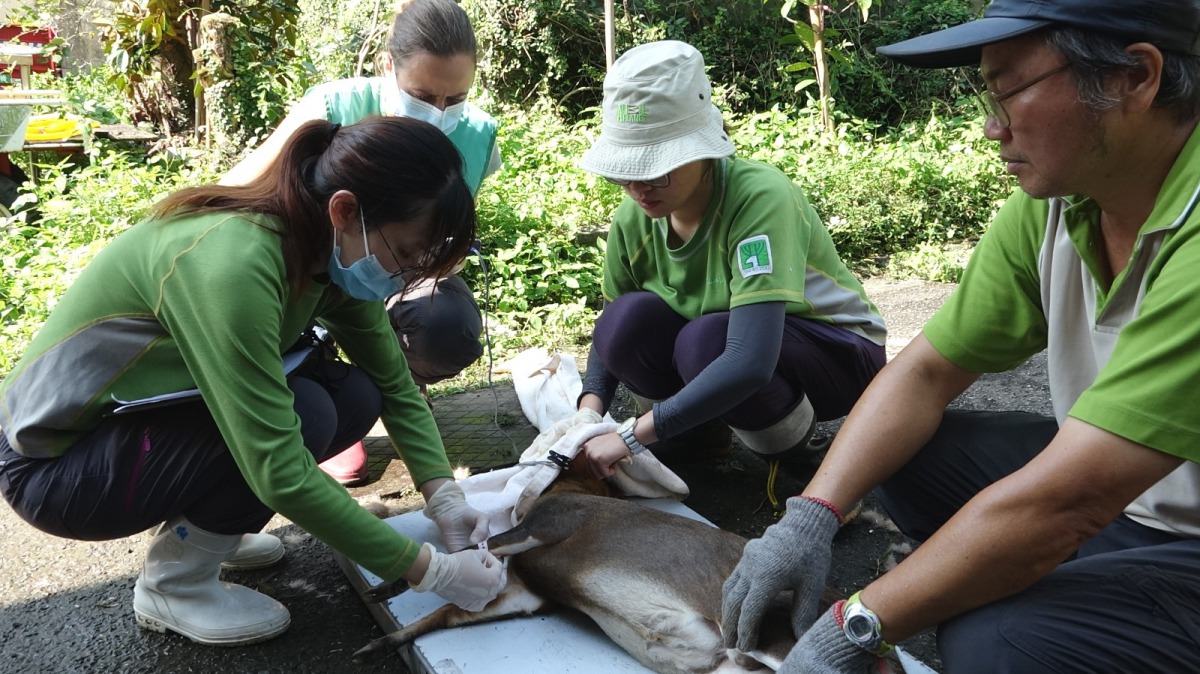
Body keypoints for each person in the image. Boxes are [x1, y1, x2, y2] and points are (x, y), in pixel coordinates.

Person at [720, 1, 1200, 672]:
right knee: (897, 455)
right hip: (1113, 485)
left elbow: (1069, 503)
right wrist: (809, 518)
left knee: (995, 645)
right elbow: (924, 375)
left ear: (1134, 78)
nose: (989, 126)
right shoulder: (1060, 205)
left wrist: (855, 627)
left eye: (1006, 90)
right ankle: (1028, 581)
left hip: (1181, 528)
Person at [0, 116, 505, 647]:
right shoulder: (232, 265)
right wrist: (426, 569)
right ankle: (174, 585)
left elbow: (396, 386)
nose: (402, 277)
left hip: (126, 434)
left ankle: (206, 533)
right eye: (403, 253)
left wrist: (442, 492)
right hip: (53, 467)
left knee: (353, 395)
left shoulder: (322, 251)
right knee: (307, 412)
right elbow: (279, 470)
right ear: (345, 210)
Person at [571, 40, 887, 480]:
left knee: (707, 342)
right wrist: (587, 413)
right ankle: (694, 439)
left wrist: (628, 436)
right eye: (624, 173)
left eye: (656, 168)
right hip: (724, 346)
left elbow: (748, 359)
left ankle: (801, 461)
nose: (639, 187)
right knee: (625, 321)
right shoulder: (634, 218)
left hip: (837, 355)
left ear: (700, 151)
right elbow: (611, 336)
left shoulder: (759, 198)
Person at [223, 0, 500, 485]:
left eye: (455, 99)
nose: (438, 114)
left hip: (407, 273)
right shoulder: (333, 108)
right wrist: (420, 564)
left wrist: (419, 259)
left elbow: (450, 229)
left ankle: (397, 392)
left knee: (444, 324)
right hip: (322, 270)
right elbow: (242, 194)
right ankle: (327, 383)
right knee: (314, 401)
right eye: (421, 94)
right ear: (388, 67)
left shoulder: (478, 136)